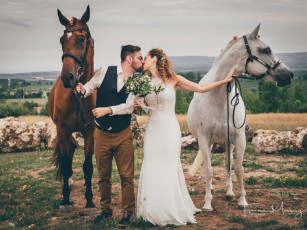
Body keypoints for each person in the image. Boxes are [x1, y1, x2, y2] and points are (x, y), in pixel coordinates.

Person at [136, 48, 235, 226]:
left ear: (155, 59)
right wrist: (137, 103)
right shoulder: (143, 82)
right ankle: (151, 209)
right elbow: (138, 107)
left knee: (168, 165)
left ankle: (171, 208)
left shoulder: (173, 78)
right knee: (151, 164)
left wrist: (224, 81)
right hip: (152, 129)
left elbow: (200, 88)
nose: (143, 61)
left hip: (169, 129)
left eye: (146, 58)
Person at [76, 45, 144, 227]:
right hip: (101, 134)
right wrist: (82, 89)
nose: (142, 61)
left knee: (127, 176)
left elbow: (129, 106)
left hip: (123, 134)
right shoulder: (105, 71)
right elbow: (89, 87)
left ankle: (127, 213)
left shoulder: (138, 81)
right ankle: (106, 211)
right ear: (129, 59)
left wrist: (107, 110)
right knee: (103, 176)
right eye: (140, 57)